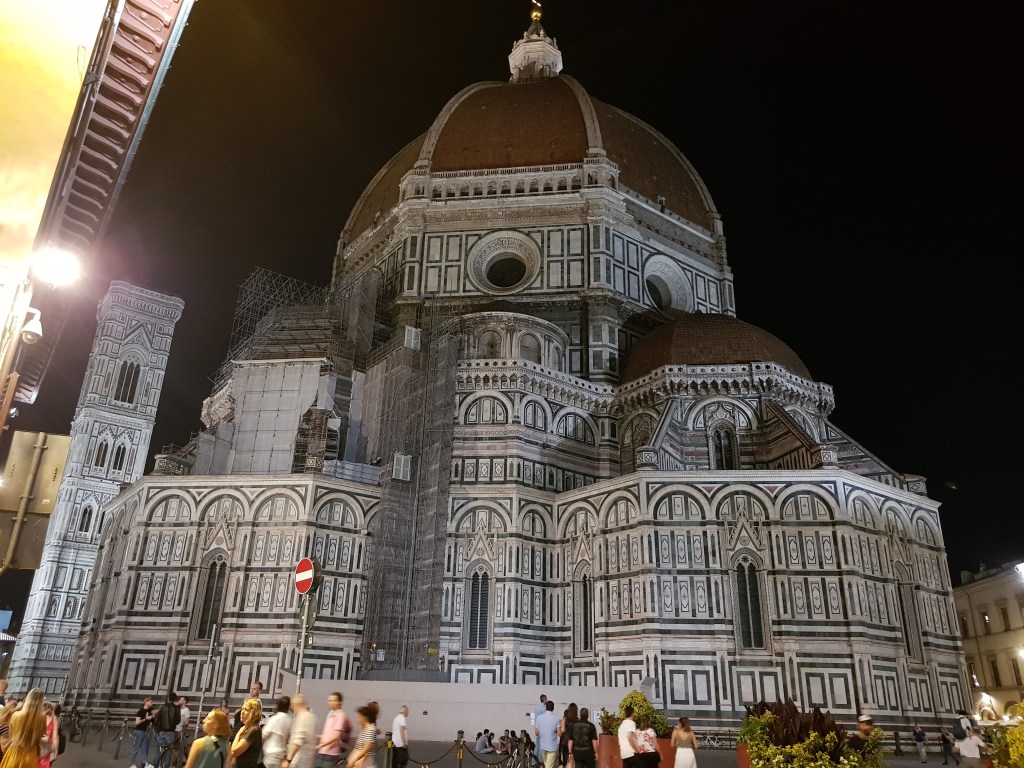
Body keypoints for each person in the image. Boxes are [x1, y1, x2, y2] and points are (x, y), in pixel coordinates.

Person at [0, 688, 47, 768]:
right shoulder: (42, 717)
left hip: (14, 751)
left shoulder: (16, 715)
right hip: (31, 753)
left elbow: (11, 733)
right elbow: (41, 734)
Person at [283, 693, 317, 768]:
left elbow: (298, 741)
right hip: (308, 759)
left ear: (295, 705)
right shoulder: (311, 716)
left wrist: (288, 760)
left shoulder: (302, 717)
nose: (292, 708)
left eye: (292, 705)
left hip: (298, 760)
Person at [317, 692, 350, 767]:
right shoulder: (330, 713)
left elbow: (336, 736)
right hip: (322, 751)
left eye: (333, 701)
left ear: (339, 702)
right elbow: (328, 733)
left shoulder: (341, 715)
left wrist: (322, 745)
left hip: (331, 753)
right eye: (329, 700)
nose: (330, 703)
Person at [230, 698, 264, 768]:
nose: (242, 712)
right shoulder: (247, 729)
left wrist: (239, 733)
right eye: (242, 709)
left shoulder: (253, 730)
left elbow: (234, 752)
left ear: (253, 713)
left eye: (246, 710)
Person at [346, 702, 379, 768]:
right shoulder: (365, 729)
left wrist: (355, 760)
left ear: (365, 717)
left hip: (364, 763)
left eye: (359, 717)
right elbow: (359, 747)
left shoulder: (370, 729)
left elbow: (366, 749)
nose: (357, 719)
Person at [262, 696, 293, 768]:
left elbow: (264, 734)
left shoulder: (275, 718)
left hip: (271, 752)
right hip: (281, 753)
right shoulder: (289, 720)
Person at [155, 692, 182, 767]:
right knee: (169, 751)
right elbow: (178, 720)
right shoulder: (177, 708)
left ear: (168, 698)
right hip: (171, 731)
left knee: (159, 749)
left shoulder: (162, 706)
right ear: (175, 699)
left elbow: (157, 718)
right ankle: (166, 766)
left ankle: (157, 765)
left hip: (161, 730)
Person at [130, 695, 157, 768]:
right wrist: (146, 718)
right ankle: (132, 764)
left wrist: (154, 715)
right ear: (146, 702)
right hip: (139, 731)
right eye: (151, 702)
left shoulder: (150, 710)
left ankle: (146, 763)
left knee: (145, 748)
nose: (152, 703)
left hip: (146, 731)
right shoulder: (141, 711)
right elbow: (137, 722)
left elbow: (152, 720)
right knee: (136, 747)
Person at [536, 700, 559, 768]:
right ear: (553, 708)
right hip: (552, 746)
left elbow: (536, 733)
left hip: (543, 745)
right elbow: (559, 733)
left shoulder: (539, 718)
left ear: (545, 707)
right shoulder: (556, 718)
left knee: (546, 764)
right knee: (548, 766)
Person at [39, 702, 58, 768]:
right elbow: (55, 737)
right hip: (48, 748)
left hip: (37, 747)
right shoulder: (54, 719)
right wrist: (55, 752)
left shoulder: (37, 718)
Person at [174, 697, 191, 768]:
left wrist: (183, 729)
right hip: (175, 729)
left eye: (181, 699)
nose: (179, 701)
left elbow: (187, 722)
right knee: (177, 747)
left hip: (180, 730)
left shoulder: (186, 710)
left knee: (182, 748)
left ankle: (188, 761)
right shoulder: (178, 709)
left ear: (184, 701)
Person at [533, 696, 547, 767]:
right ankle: (540, 762)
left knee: (537, 745)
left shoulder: (536, 707)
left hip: (536, 728)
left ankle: (533, 762)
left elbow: (536, 718)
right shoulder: (544, 708)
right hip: (542, 729)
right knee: (541, 746)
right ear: (544, 699)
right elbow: (544, 719)